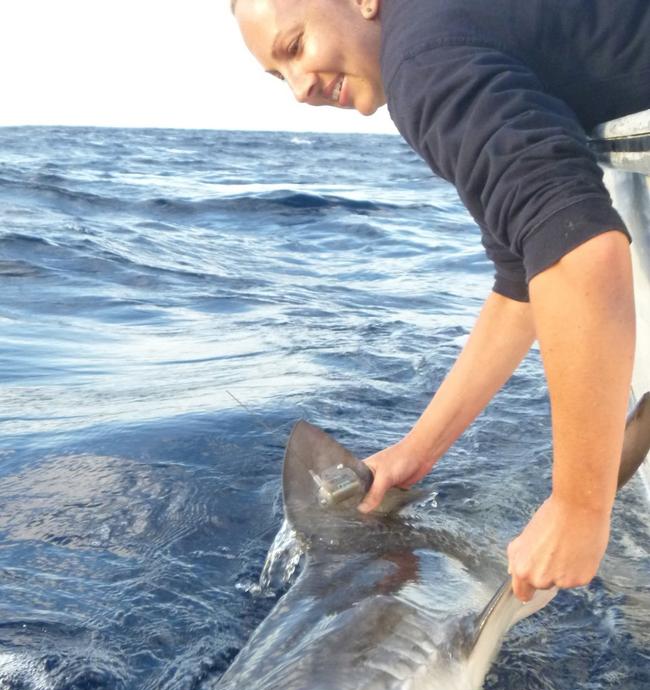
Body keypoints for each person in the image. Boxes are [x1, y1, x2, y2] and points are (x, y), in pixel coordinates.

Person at [232, 0, 649, 602]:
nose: (299, 89)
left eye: (295, 47)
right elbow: (524, 280)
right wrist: (416, 451)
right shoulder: (444, 25)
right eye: (278, 75)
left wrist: (579, 506)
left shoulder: (420, 62)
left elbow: (580, 252)